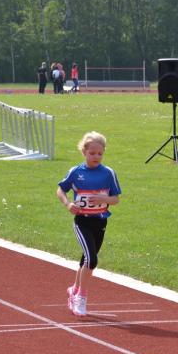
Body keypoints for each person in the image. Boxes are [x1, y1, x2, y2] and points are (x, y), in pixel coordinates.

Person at [56, 131, 122, 317]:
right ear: (84, 152)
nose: (96, 157)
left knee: (86, 260)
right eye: (92, 153)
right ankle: (81, 298)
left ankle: (74, 289)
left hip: (100, 222)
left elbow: (116, 199)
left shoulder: (108, 173)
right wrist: (68, 204)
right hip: (82, 221)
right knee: (92, 260)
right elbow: (60, 190)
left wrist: (104, 199)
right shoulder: (76, 172)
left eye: (100, 153)